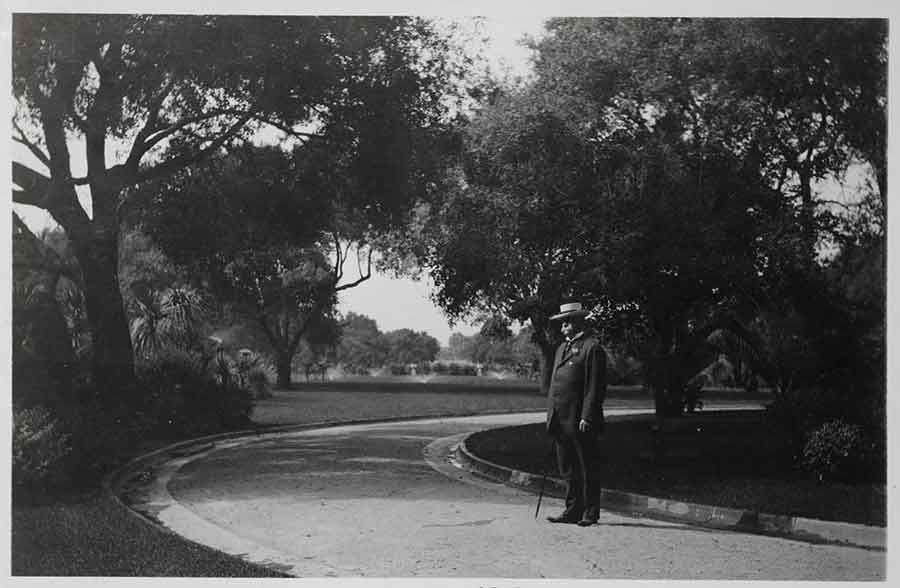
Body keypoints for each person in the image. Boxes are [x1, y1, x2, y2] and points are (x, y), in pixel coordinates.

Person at [545, 301, 606, 526]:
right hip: (560, 418)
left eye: (567, 323)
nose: (563, 327)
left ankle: (590, 512)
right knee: (568, 468)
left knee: (587, 466)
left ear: (579, 322)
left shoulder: (592, 348)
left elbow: (595, 387)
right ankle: (573, 509)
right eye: (562, 323)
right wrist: (551, 413)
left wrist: (587, 416)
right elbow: (555, 384)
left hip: (579, 419)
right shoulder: (562, 348)